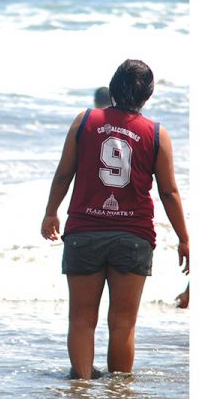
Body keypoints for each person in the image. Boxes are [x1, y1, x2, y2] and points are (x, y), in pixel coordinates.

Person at [40, 59, 189, 380]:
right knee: (123, 323)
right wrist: (184, 237)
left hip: (84, 232)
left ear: (113, 87)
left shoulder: (85, 121)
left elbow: (65, 172)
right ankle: (118, 389)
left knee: (81, 319)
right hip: (133, 236)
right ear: (148, 95)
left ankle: (80, 383)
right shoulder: (157, 134)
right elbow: (169, 192)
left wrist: (51, 211)